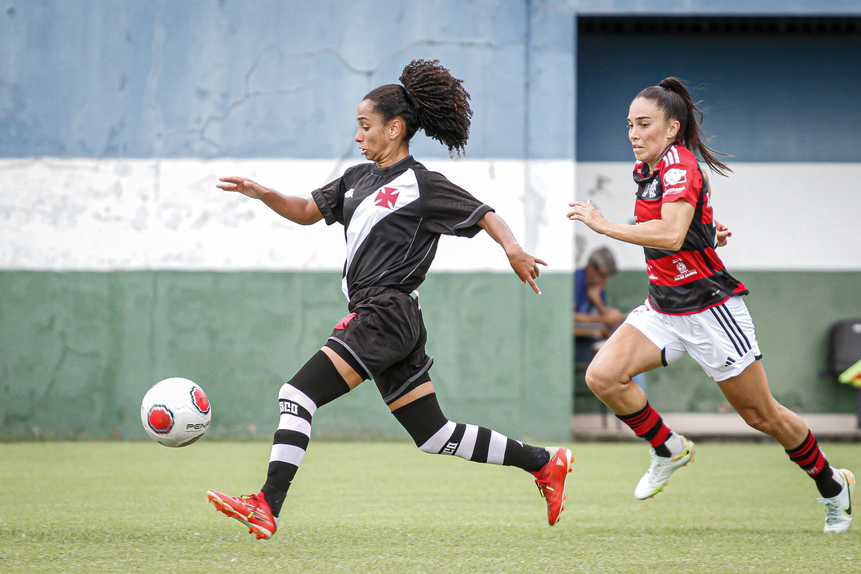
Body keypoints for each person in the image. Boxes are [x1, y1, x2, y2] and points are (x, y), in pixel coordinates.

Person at [206, 59, 573, 539]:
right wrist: (264, 193)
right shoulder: (355, 179)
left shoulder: (423, 184)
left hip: (385, 313)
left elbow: (484, 213)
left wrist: (513, 248)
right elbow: (305, 210)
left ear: (394, 128)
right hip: (391, 318)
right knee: (434, 434)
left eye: (365, 126)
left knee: (296, 395)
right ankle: (543, 463)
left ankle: (266, 503)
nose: (358, 136)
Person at [567, 77, 855, 533]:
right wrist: (705, 229)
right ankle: (668, 448)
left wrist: (603, 225)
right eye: (629, 125)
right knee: (602, 376)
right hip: (664, 308)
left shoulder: (680, 165)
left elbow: (668, 234)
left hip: (710, 311)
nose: (634, 134)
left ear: (672, 128)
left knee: (761, 415)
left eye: (644, 124)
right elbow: (678, 223)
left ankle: (833, 484)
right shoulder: (646, 169)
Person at [573, 247, 626, 365]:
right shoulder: (576, 280)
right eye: (602, 275)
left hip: (589, 339)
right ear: (591, 267)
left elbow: (609, 319)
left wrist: (597, 300)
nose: (605, 281)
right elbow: (569, 316)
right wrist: (601, 319)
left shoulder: (596, 287)